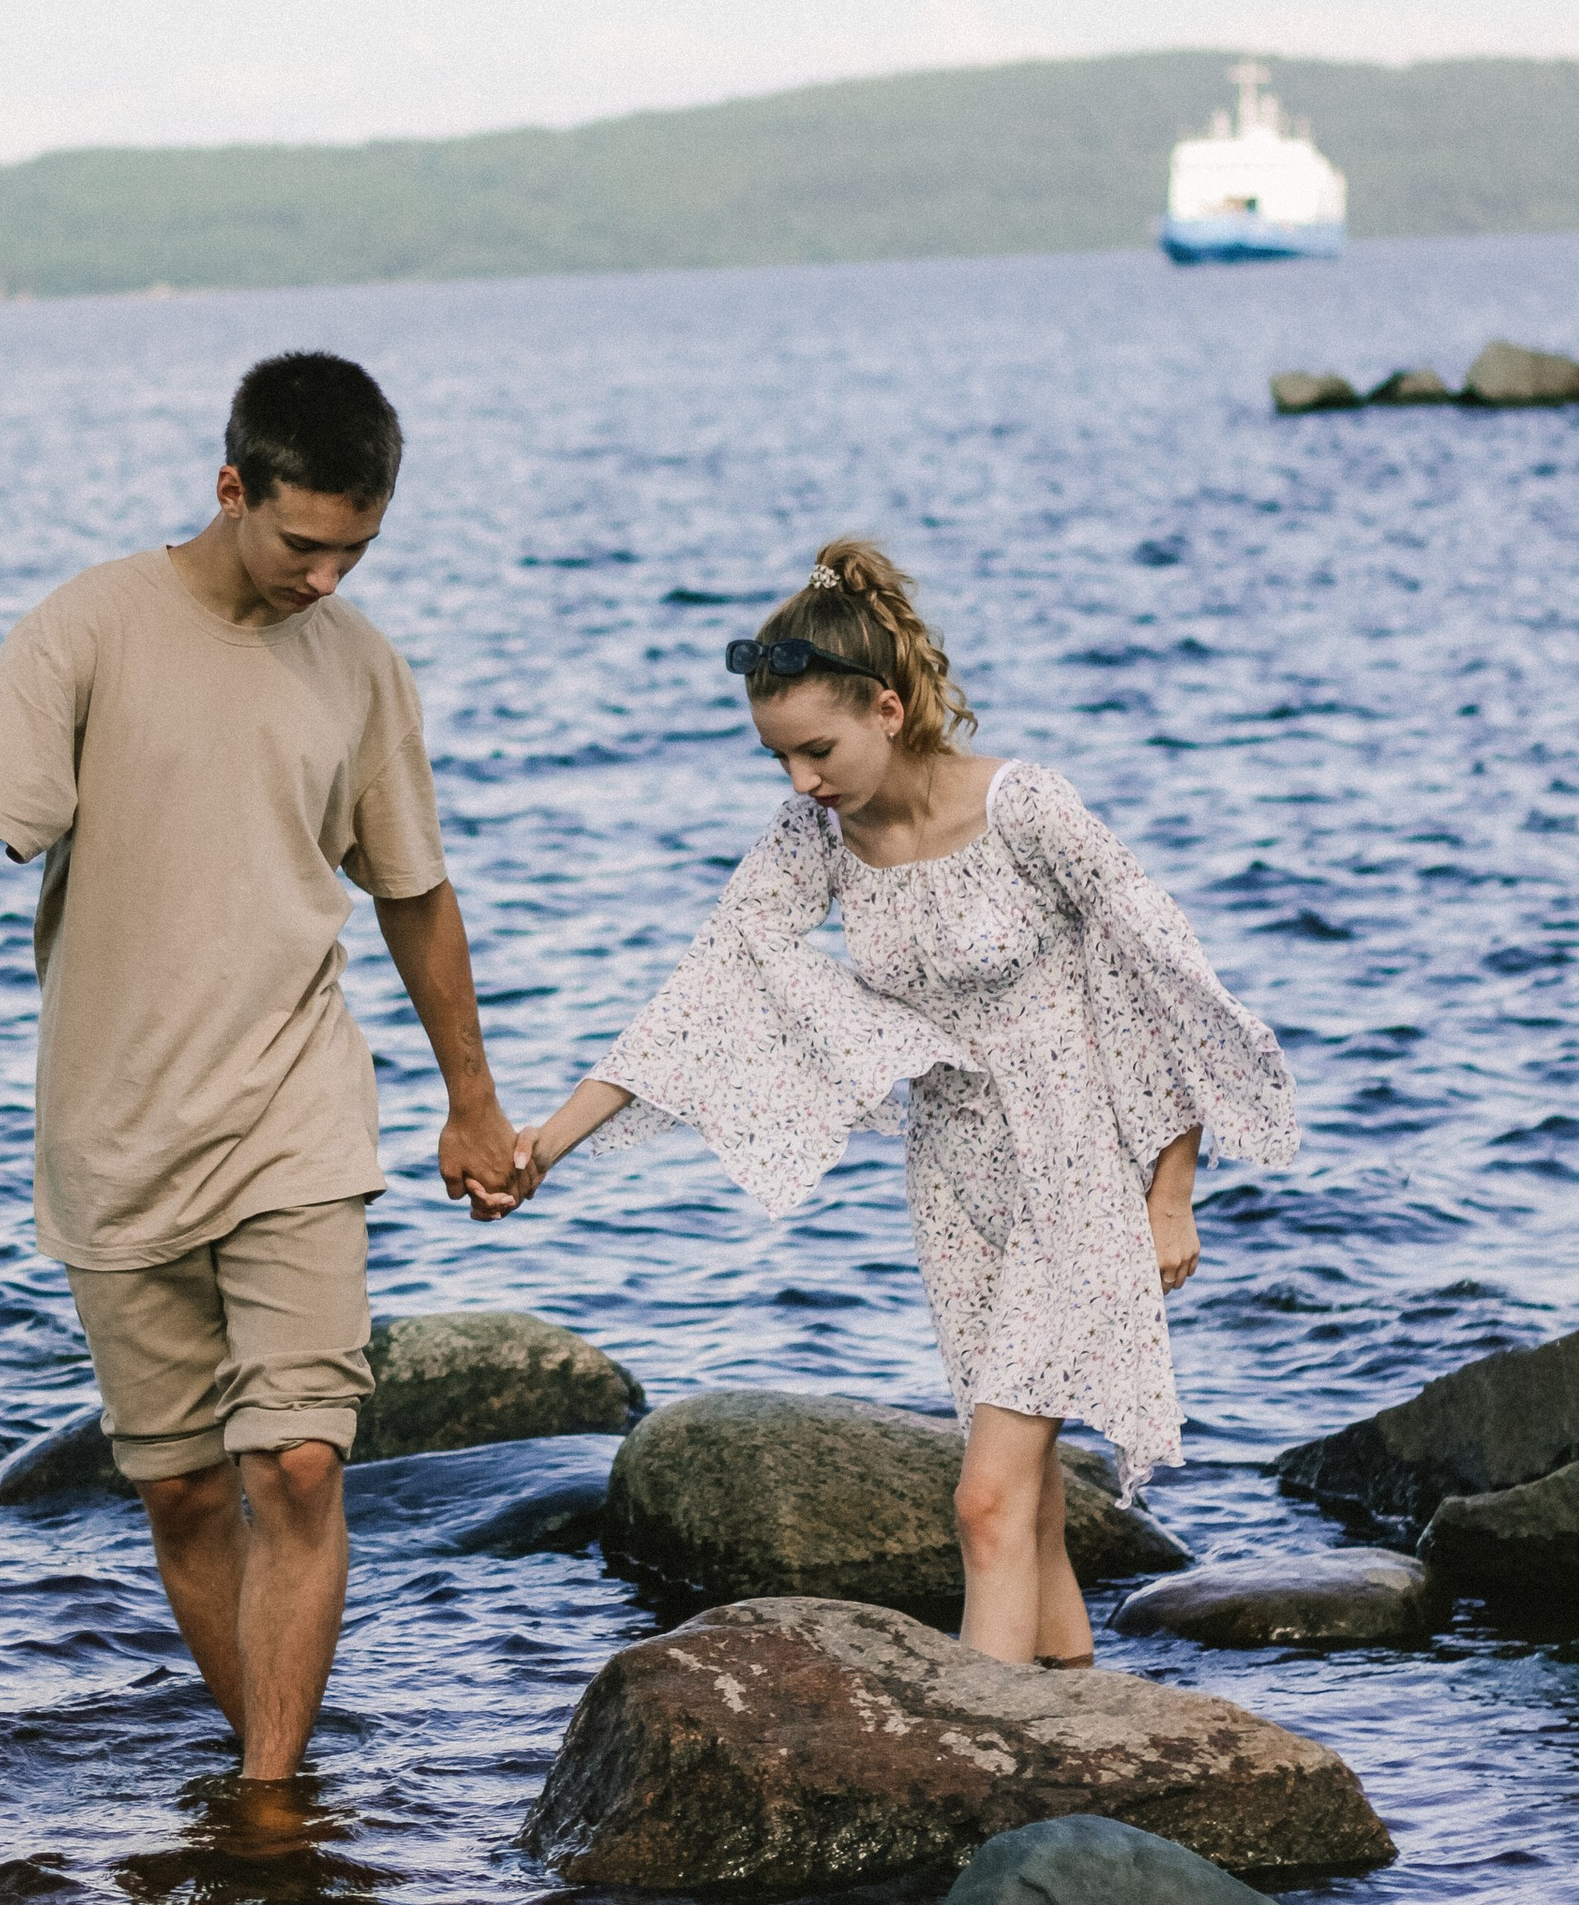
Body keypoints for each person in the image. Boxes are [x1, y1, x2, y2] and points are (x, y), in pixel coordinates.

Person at [0, 350, 526, 1778]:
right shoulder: (86, 631)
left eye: (357, 550)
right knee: (190, 1496)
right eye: (303, 544)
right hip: (117, 1129)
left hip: (295, 1112)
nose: (327, 578)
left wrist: (472, 1096)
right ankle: (277, 1762)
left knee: (303, 1461)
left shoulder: (361, 665)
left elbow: (414, 890)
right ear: (230, 487)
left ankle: (271, 1800)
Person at [509, 538, 1297, 1668]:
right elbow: (704, 985)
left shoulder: (1027, 808)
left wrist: (1172, 1193)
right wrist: (548, 1142)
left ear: (887, 706)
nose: (800, 781)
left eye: (816, 750)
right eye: (777, 758)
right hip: (953, 1173)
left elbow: (1156, 978)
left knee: (982, 1501)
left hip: (1078, 1164)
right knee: (1021, 1503)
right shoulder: (819, 837)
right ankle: (1074, 1722)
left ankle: (980, 1754)